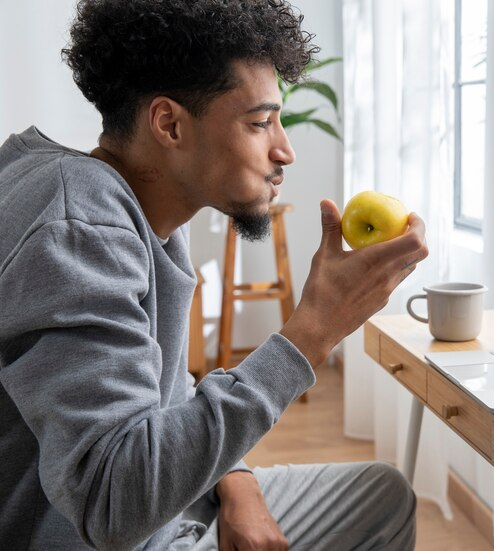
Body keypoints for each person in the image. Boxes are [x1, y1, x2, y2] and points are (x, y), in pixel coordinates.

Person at [0, 1, 428, 549]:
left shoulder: (136, 213)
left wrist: (238, 483)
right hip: (123, 528)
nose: (286, 150)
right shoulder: (80, 231)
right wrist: (313, 330)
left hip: (162, 518)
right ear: (169, 123)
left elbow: (158, 396)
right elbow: (113, 502)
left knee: (381, 497)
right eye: (260, 122)